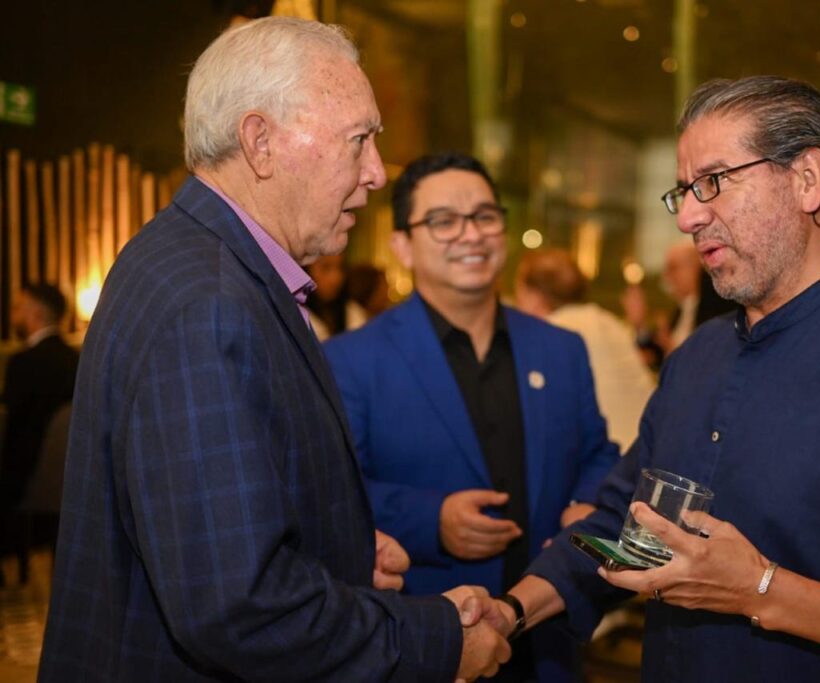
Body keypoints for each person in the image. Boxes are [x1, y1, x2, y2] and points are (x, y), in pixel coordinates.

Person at [490, 76, 820, 682]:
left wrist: (762, 589)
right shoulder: (697, 357)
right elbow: (624, 519)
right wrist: (509, 612)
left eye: (713, 181)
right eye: (684, 191)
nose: (688, 217)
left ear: (808, 179)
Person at [39, 18, 509, 682]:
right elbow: (240, 607)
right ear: (260, 142)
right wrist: (437, 642)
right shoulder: (207, 302)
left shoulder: (199, 265)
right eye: (359, 140)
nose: (377, 173)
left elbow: (214, 524)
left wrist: (340, 554)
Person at [323, 152, 620, 682]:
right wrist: (430, 520)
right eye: (443, 221)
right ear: (402, 244)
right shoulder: (351, 361)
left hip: (544, 637)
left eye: (484, 216)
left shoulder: (560, 349)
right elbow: (332, 494)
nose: (471, 234)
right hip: (426, 640)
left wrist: (585, 504)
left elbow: (598, 452)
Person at [514, 247, 654, 449]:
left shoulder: (550, 334)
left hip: (606, 458)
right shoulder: (608, 321)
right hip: (647, 450)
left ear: (534, 297)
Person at [0, 284, 78, 584]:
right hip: (68, 478)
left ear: (35, 314)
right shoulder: (76, 359)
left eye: (17, 308)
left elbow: (13, 432)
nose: (12, 315)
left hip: (26, 477)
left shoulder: (23, 364)